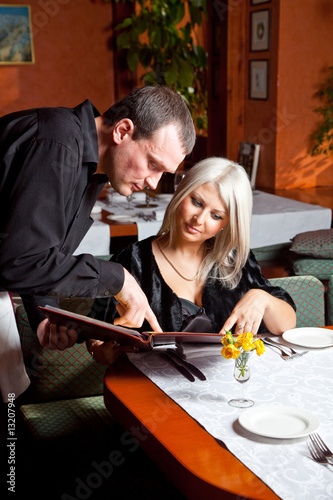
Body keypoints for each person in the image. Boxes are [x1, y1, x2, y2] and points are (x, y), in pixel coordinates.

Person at [0, 86, 196, 401]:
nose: (153, 183)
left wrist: (46, 315)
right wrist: (118, 278)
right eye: (153, 164)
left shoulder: (90, 168)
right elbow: (20, 261)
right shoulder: (57, 143)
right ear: (122, 130)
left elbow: (34, 249)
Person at [87, 157, 297, 365]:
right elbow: (95, 331)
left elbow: (287, 324)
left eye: (216, 215)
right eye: (196, 202)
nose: (199, 219)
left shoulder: (235, 260)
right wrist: (100, 352)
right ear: (181, 193)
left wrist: (263, 299)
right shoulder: (132, 260)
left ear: (227, 223)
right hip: (151, 387)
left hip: (227, 388)